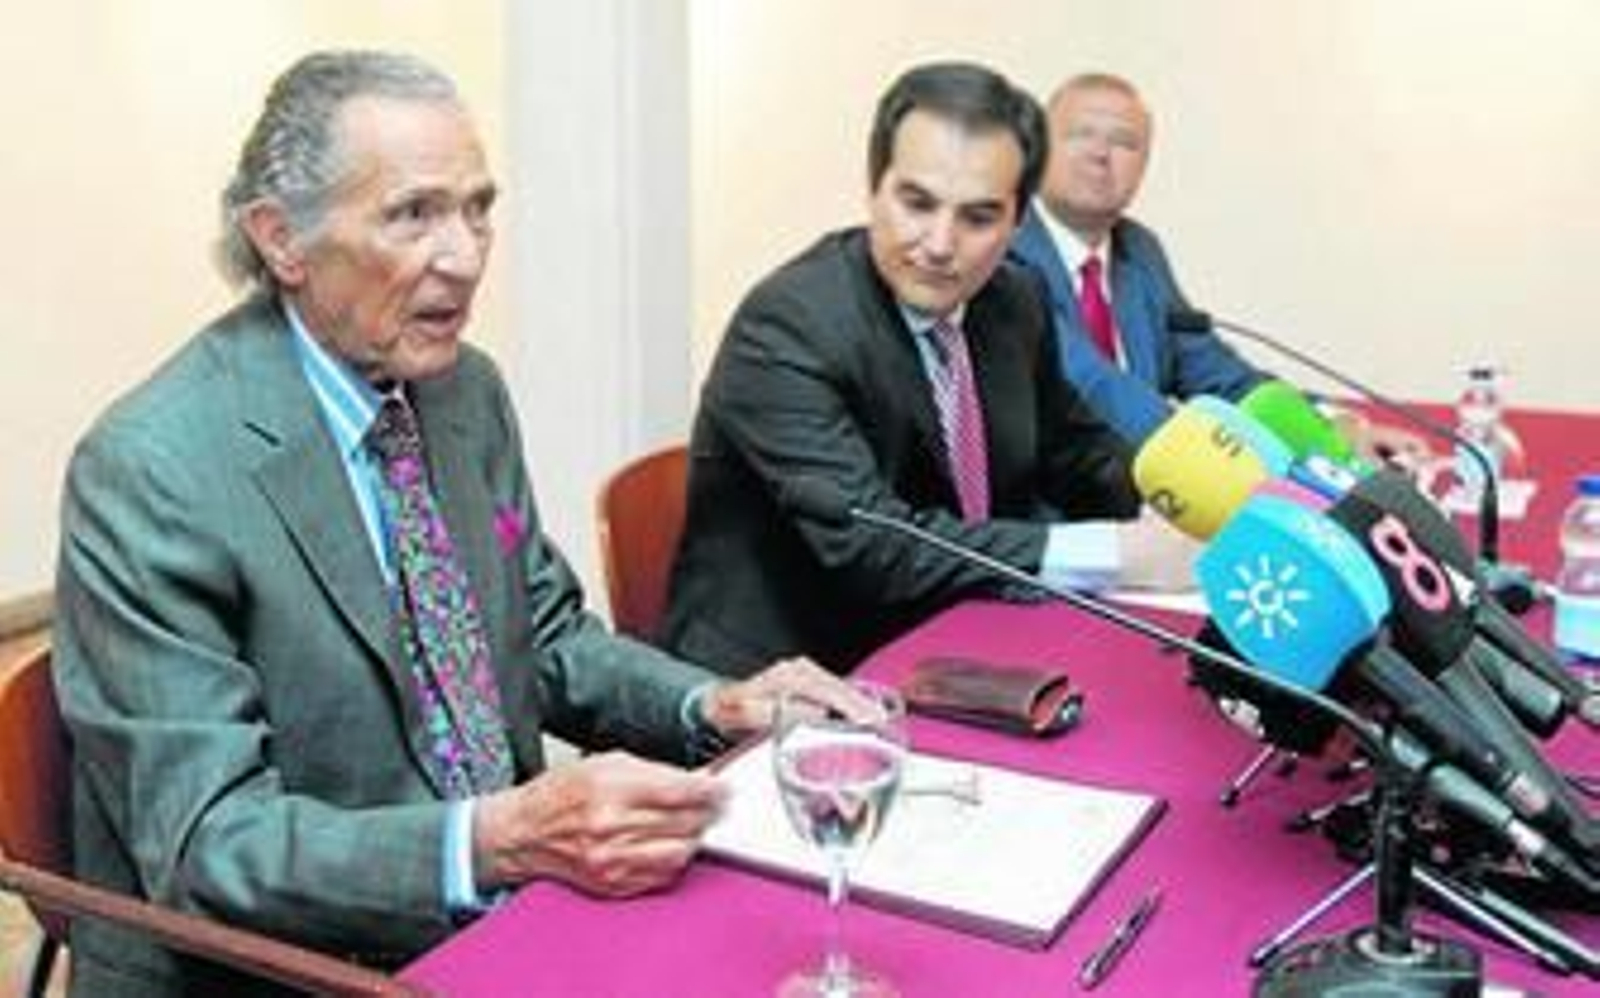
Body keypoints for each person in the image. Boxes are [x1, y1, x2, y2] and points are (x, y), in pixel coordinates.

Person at [53, 50, 855, 996]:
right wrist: (498, 840)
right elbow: (211, 848)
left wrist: (711, 706)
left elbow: (544, 636)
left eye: (478, 208)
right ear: (281, 240)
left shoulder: (462, 391)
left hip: (511, 910)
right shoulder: (154, 469)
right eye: (413, 214)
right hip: (293, 967)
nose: (466, 255)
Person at [662, 61, 1195, 681]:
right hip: (785, 684)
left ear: (1018, 221)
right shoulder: (790, 325)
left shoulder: (1012, 300)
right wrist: (1117, 554)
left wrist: (1180, 506)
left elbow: (1074, 449)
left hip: (958, 646)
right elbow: (876, 546)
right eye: (916, 203)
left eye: (977, 217)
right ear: (873, 190)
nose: (940, 244)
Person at [1008, 72, 1267, 445]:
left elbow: (1218, 374)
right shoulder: (1003, 246)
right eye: (1081, 133)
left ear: (1144, 166)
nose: (1100, 154)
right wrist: (1212, 456)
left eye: (1124, 143)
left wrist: (1323, 431)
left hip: (1153, 488)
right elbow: (1089, 382)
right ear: (1038, 150)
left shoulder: (1140, 249)